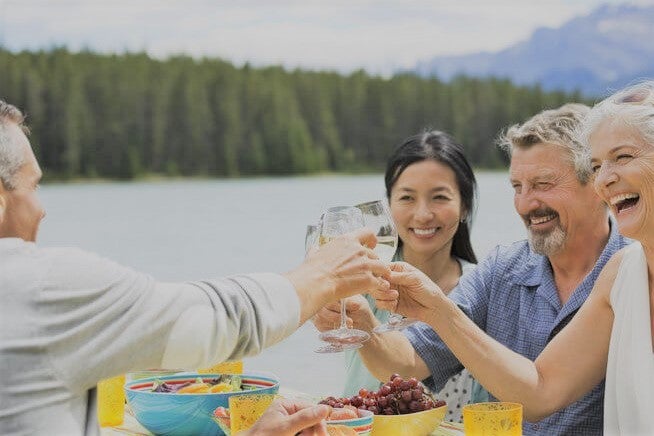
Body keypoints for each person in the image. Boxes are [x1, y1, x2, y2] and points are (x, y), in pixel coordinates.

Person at [0, 99, 391, 436]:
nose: (42, 208)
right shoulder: (37, 288)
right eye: (33, 187)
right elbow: (219, 322)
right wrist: (323, 274)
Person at [381, 81, 654, 435]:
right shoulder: (623, 274)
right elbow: (541, 390)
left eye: (623, 157)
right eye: (599, 164)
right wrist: (429, 310)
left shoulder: (617, 264)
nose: (606, 178)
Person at [312, 130, 482, 422]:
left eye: (439, 197)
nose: (423, 214)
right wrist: (320, 304)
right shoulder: (363, 274)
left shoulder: (484, 285)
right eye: (406, 198)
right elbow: (315, 301)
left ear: (464, 205)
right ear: (388, 206)